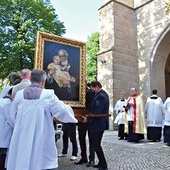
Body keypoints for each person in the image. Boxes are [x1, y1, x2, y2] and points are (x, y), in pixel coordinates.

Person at [6, 69, 78, 170]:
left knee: (23, 160)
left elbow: (12, 116)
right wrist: (73, 114)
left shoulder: (19, 95)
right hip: (42, 135)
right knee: (43, 160)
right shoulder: (48, 95)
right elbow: (63, 111)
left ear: (31, 79)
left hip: (23, 135)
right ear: (43, 81)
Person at [82, 81, 109, 170]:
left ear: (97, 87)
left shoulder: (101, 96)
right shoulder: (102, 94)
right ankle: (101, 163)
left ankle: (104, 165)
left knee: (96, 145)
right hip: (98, 124)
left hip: (97, 125)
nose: (92, 90)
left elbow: (97, 112)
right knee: (96, 144)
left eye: (92, 88)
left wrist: (88, 119)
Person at [75, 81, 95, 167]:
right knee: (81, 139)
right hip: (81, 119)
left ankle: (92, 159)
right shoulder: (78, 94)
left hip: (90, 119)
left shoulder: (91, 93)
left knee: (92, 140)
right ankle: (84, 157)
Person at [0, 87, 13, 170]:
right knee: (3, 159)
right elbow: (12, 120)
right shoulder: (7, 103)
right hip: (4, 137)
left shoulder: (1, 101)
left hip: (2, 135)